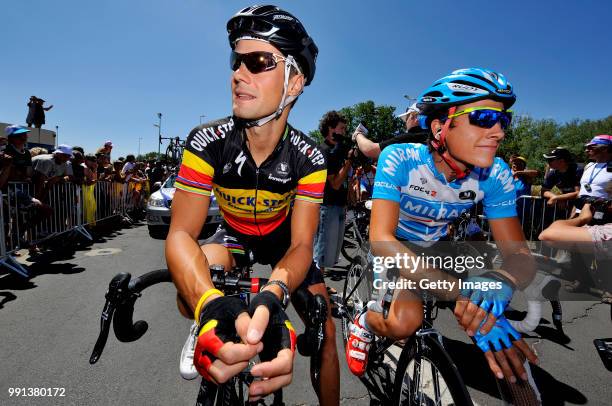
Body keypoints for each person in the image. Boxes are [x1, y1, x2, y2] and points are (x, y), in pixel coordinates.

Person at [165, 5, 339, 405]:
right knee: (188, 286)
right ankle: (209, 311)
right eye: (235, 61)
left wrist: (276, 291)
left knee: (325, 330)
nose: (237, 74)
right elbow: (180, 234)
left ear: (294, 82)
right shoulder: (206, 141)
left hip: (283, 243)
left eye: (258, 61)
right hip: (233, 236)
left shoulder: (309, 158)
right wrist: (207, 300)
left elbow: (300, 246)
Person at [345, 68, 539, 386]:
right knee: (405, 323)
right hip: (397, 243)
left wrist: (502, 282)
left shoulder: (497, 174)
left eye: (503, 121)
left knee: (483, 300)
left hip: (438, 246)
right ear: (440, 127)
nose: (499, 132)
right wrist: (460, 293)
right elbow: (381, 239)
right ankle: (365, 319)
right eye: (483, 117)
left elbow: (518, 253)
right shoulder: (400, 158)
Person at [313, 111, 350, 276]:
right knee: (322, 253)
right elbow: (335, 184)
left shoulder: (338, 150)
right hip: (328, 206)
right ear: (331, 128)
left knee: (330, 253)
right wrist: (349, 161)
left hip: (339, 205)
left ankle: (321, 288)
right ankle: (317, 291)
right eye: (342, 128)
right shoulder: (324, 151)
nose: (344, 132)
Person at [353, 103, 428, 159]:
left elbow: (370, 150)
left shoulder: (411, 137)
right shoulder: (432, 137)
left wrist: (358, 134)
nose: (406, 122)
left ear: (414, 117)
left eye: (407, 118)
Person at [579, 135, 612, 199]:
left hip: (600, 208)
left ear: (604, 149)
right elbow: (581, 191)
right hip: (580, 208)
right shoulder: (588, 166)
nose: (586, 150)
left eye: (590, 147)